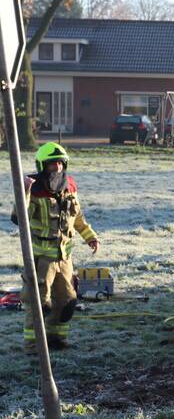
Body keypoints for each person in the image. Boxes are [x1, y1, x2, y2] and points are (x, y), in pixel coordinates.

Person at [14, 142, 99, 350]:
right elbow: (19, 217)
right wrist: (23, 192)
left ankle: (56, 339)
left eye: (60, 163)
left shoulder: (69, 186)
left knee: (67, 301)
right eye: (53, 165)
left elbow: (76, 216)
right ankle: (34, 345)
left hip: (64, 258)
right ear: (43, 166)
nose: (57, 168)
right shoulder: (33, 189)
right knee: (38, 305)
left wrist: (90, 237)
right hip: (41, 260)